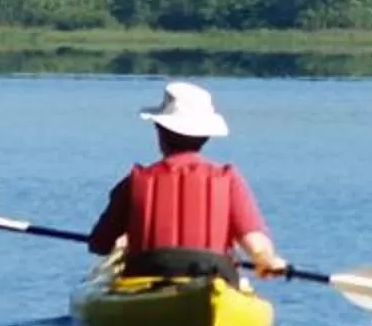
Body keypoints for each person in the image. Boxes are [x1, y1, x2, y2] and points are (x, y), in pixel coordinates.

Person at [87, 82, 288, 282]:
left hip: (145, 278)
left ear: (160, 131)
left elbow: (99, 243)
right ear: (206, 136)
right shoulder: (229, 180)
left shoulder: (134, 182)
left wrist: (123, 243)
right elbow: (255, 245)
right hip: (214, 274)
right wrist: (268, 261)